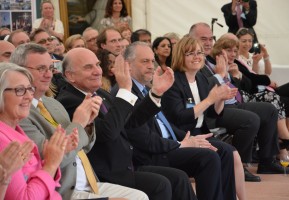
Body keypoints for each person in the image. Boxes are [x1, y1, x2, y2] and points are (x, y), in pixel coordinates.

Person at [57, 47, 198, 200]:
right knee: (161, 184)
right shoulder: (69, 101)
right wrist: (124, 89)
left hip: (127, 164)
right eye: (88, 67)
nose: (97, 71)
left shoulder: (100, 93)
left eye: (97, 65)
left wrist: (156, 93)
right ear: (70, 75)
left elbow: (129, 122)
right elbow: (106, 133)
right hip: (106, 173)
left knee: (179, 178)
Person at [10, 43, 148, 200]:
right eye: (41, 69)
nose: (48, 74)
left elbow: (84, 147)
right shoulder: (20, 114)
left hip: (91, 181)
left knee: (141, 196)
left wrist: (88, 125)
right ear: (20, 71)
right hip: (64, 190)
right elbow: (53, 160)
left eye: (50, 68)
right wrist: (79, 123)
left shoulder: (52, 103)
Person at [112, 41, 240, 200]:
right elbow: (144, 139)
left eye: (153, 61)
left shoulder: (145, 88)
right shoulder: (125, 93)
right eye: (145, 61)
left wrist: (189, 138)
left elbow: (165, 125)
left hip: (169, 142)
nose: (151, 66)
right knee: (209, 157)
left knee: (223, 150)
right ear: (128, 65)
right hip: (153, 154)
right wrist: (181, 144)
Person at [188, 23, 289, 175]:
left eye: (210, 39)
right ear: (190, 39)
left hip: (228, 103)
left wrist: (228, 76)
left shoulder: (209, 61)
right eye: (203, 39)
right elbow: (204, 89)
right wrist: (220, 75)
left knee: (269, 109)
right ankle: (240, 166)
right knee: (250, 119)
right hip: (212, 111)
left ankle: (267, 161)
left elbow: (241, 84)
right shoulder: (194, 61)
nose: (208, 43)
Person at [0, 62, 67, 199]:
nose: (29, 96)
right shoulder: (3, 141)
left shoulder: (15, 129)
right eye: (19, 90)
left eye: (30, 89)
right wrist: (50, 163)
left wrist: (52, 157)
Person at [236, 28, 289, 141]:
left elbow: (268, 72)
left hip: (267, 87)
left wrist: (265, 56)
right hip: (259, 90)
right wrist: (256, 64)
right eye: (244, 41)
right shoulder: (237, 59)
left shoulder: (253, 55)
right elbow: (253, 79)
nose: (247, 44)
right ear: (237, 41)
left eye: (250, 41)